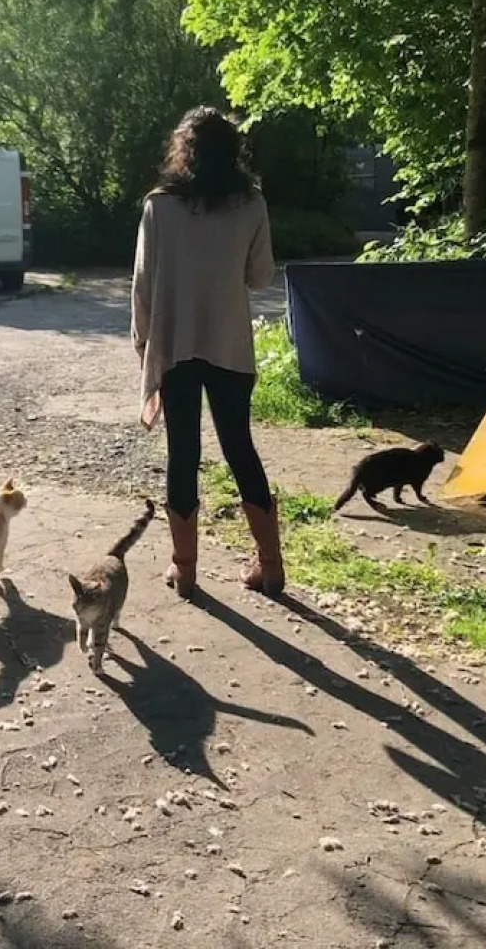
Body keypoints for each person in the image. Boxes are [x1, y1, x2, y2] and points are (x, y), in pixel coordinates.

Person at [131, 105, 284, 601]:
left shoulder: (160, 206)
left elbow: (142, 286)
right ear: (233, 151)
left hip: (175, 347)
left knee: (183, 455)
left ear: (184, 151)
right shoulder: (252, 203)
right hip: (230, 345)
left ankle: (186, 571)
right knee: (240, 447)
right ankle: (272, 567)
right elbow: (260, 277)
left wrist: (144, 348)